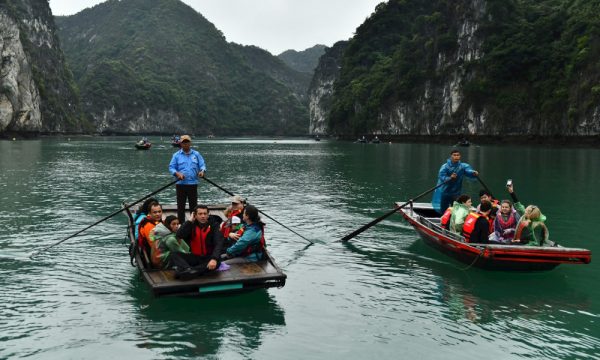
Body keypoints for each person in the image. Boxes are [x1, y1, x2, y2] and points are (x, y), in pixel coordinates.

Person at [173, 205, 224, 279]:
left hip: (209, 259)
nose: (203, 216)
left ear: (208, 214)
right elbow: (179, 235)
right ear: (195, 215)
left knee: (179, 275)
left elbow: (218, 243)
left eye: (205, 213)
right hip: (195, 257)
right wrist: (189, 221)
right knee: (174, 254)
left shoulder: (214, 226)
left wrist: (214, 259)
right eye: (200, 214)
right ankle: (188, 270)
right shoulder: (191, 225)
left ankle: (188, 271)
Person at [168, 135, 206, 224]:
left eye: (187, 142)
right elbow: (171, 167)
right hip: (180, 184)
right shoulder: (176, 155)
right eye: (184, 142)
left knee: (194, 206)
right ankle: (180, 225)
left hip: (193, 184)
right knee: (181, 206)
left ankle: (194, 224)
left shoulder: (196, 154)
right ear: (181, 144)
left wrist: (202, 171)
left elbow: (202, 165)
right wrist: (177, 173)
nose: (185, 144)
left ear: (190, 143)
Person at [432, 149, 479, 214]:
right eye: (454, 155)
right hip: (445, 192)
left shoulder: (463, 166)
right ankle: (443, 221)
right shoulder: (445, 167)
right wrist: (450, 178)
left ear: (460, 156)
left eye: (458, 155)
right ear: (451, 156)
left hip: (456, 193)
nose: (456, 157)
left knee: (456, 210)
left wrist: (473, 172)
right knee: (444, 210)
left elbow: (468, 171)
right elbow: (441, 176)